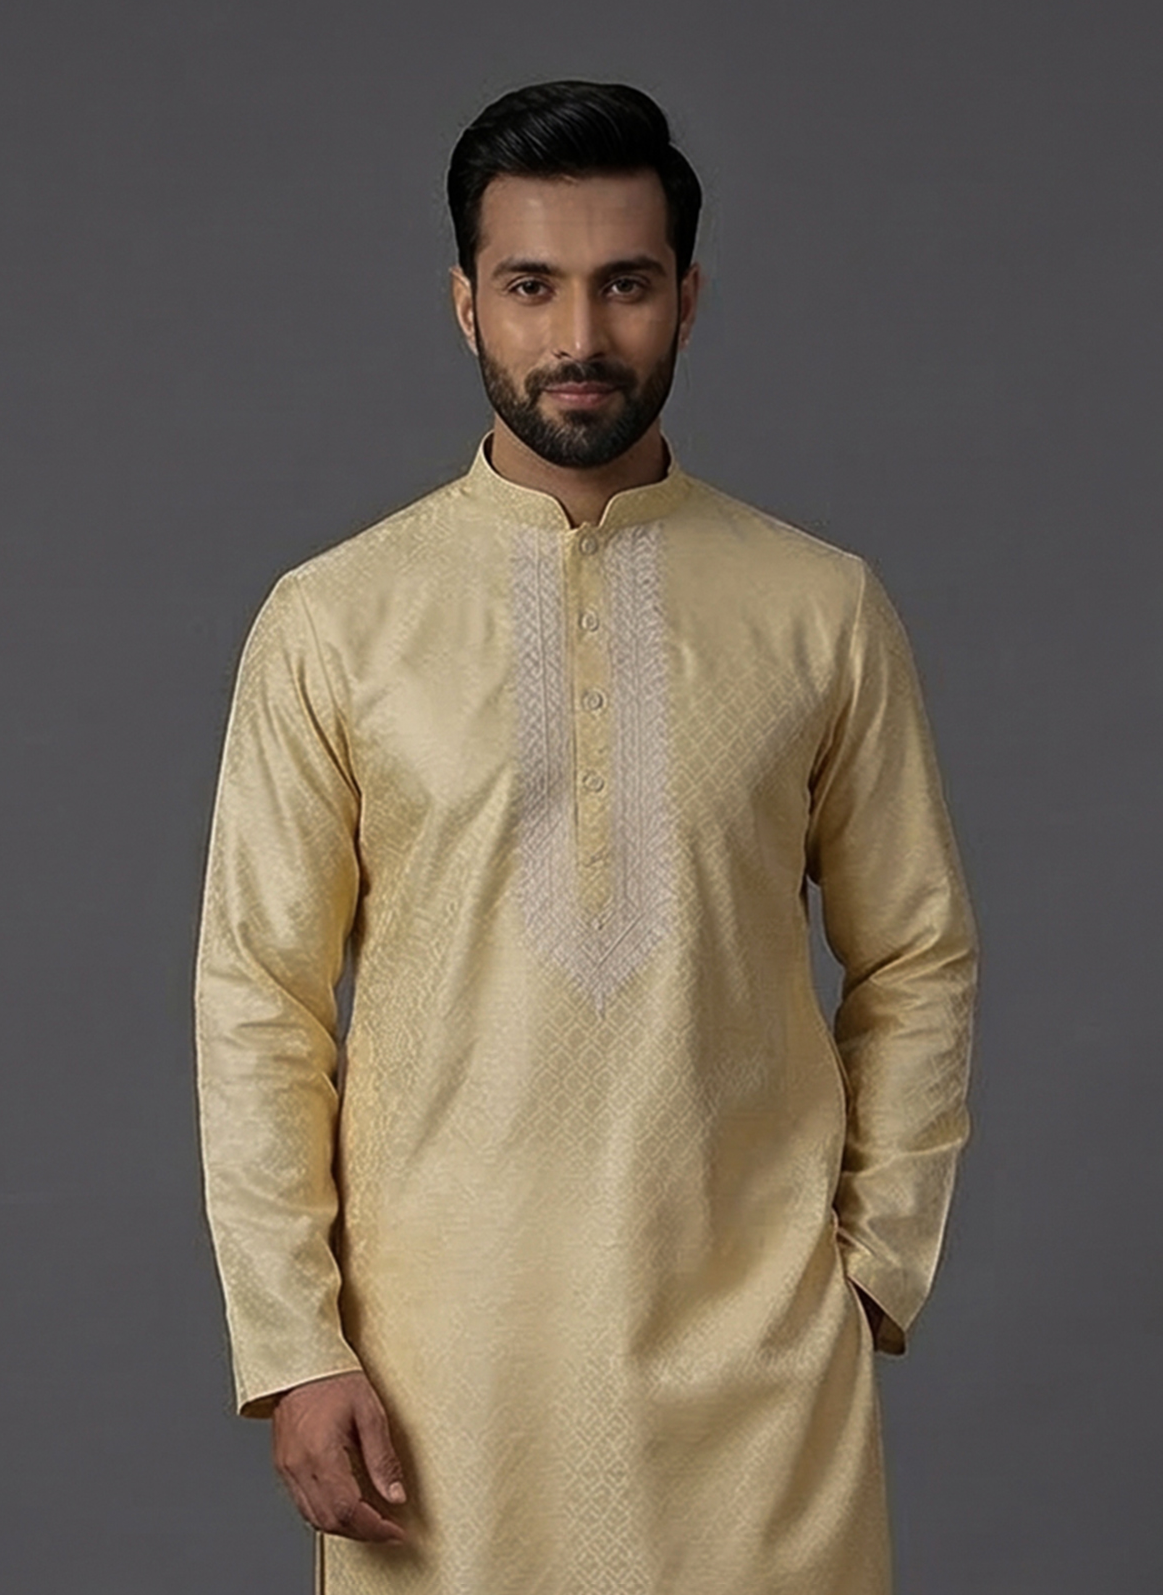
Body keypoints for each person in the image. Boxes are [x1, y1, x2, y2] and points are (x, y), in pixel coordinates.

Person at [195, 79, 978, 1595]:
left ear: (687, 296)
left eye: (624, 283)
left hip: (760, 1379)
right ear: (464, 305)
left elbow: (918, 952)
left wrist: (877, 1264)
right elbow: (260, 999)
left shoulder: (821, 609)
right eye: (530, 286)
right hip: (437, 1386)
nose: (578, 336)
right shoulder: (335, 622)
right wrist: (294, 1344)